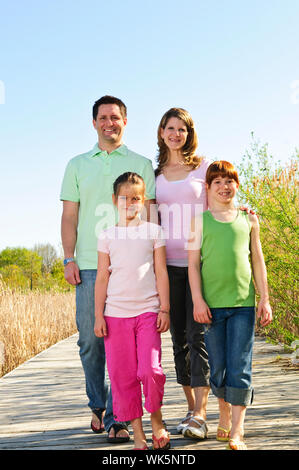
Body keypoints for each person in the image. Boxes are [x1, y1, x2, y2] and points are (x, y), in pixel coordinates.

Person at [60, 96, 156, 442]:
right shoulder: (76, 164)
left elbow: (152, 214)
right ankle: (97, 403)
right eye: (103, 118)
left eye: (115, 117)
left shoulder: (141, 163)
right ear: (94, 123)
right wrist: (68, 257)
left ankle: (119, 415)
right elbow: (69, 215)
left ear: (125, 122)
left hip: (130, 268)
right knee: (90, 341)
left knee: (122, 346)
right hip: (87, 265)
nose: (109, 123)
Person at [188, 160, 273, 450]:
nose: (224, 187)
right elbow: (192, 266)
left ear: (237, 185)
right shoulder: (200, 221)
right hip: (211, 307)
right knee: (220, 367)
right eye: (218, 182)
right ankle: (223, 412)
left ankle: (238, 429)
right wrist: (198, 300)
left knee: (241, 365)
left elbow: (258, 261)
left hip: (242, 305)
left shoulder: (249, 220)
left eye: (229, 181)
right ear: (208, 188)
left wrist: (265, 298)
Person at [94, 172, 171, 450]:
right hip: (115, 316)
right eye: (125, 198)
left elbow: (161, 271)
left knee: (150, 370)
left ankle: (157, 419)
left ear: (143, 201)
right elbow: (102, 277)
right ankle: (138, 434)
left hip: (148, 312)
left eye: (136, 198)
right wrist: (98, 316)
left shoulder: (153, 231)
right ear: (115, 200)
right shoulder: (106, 235)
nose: (130, 203)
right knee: (123, 376)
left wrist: (165, 309)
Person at [155, 108, 211, 440]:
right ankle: (191, 408)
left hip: (198, 264)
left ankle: (202, 414)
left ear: (189, 133)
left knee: (197, 335)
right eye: (171, 128)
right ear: (161, 132)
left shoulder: (202, 167)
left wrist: (241, 210)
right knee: (178, 340)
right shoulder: (155, 172)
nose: (176, 134)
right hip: (166, 266)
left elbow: (221, 198)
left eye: (182, 129)